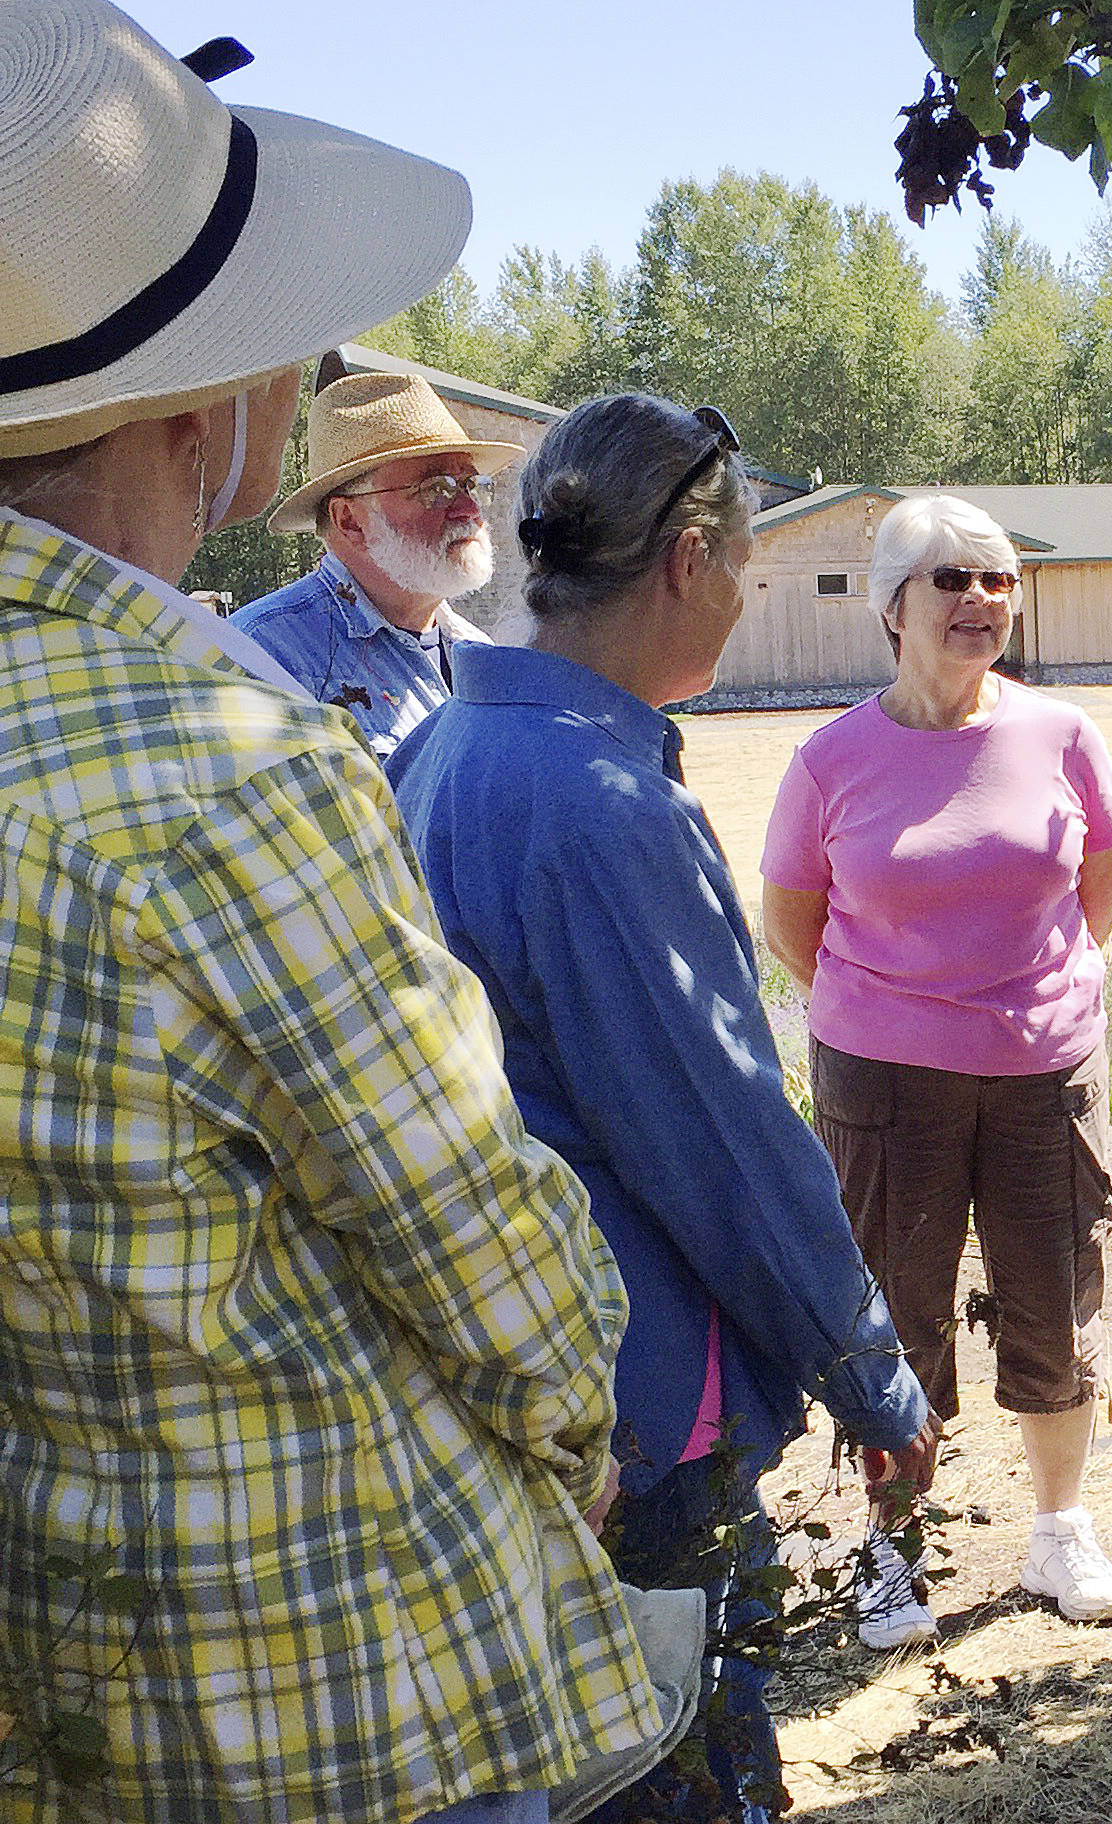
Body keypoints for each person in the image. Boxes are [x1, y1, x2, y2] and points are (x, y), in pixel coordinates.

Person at [0, 8, 703, 1822]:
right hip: (324, 1684)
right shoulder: (220, 762)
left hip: (67, 1666)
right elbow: (472, 1228)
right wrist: (583, 1423)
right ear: (203, 402)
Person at [386, 392, 937, 1822]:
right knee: (678, 1758)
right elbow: (726, 1142)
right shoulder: (603, 803)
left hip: (496, 1373)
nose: (746, 604)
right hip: (636, 1395)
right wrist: (869, 1371)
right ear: (688, 561)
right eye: (746, 571)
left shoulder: (442, 751)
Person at [760, 494, 1112, 1650]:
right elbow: (792, 925)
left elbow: (1101, 895)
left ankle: (1059, 1530)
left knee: (1055, 1297)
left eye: (997, 579)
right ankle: (892, 1552)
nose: (981, 600)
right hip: (884, 1084)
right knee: (892, 1312)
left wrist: (1019, 1004)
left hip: (1044, 1073)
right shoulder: (831, 759)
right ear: (892, 605)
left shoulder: (1064, 734)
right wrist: (910, 1008)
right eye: (952, 580)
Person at [230, 370, 520, 756]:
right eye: (436, 489)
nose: (468, 509)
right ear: (350, 521)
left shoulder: (478, 651)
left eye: (469, 484)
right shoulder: (265, 655)